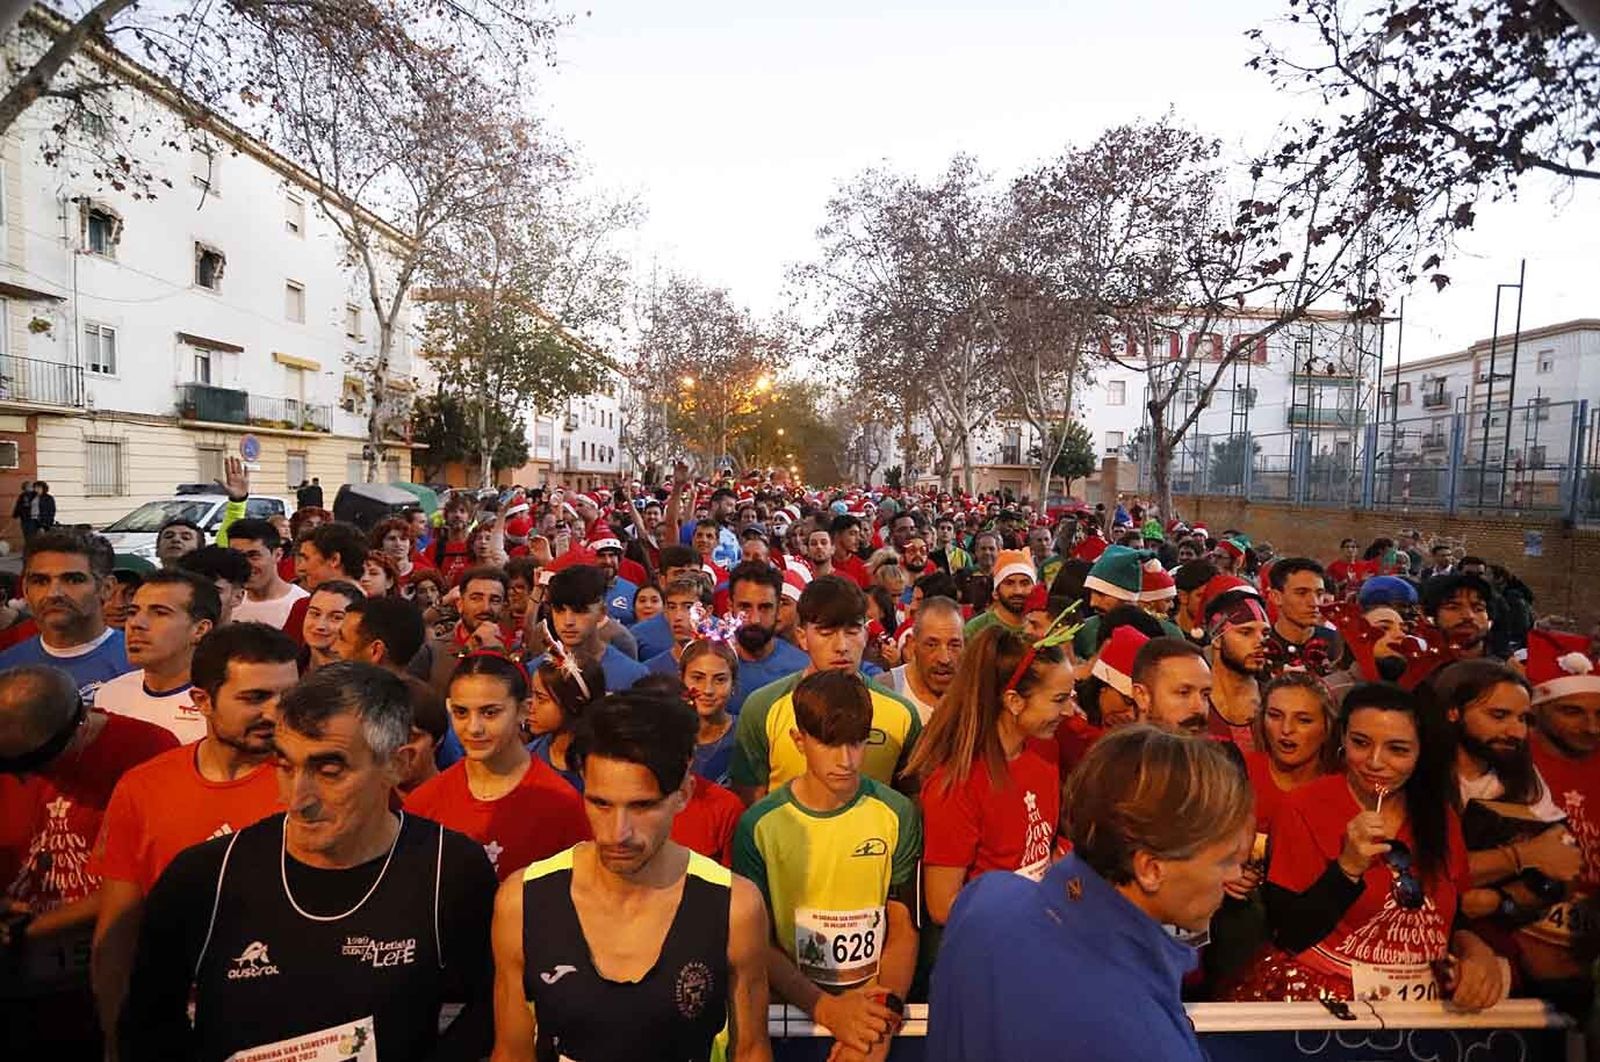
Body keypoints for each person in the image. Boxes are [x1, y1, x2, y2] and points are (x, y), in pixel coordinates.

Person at [118, 662, 497, 1061]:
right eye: (285, 766)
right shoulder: (205, 876)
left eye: (329, 771)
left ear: (397, 764)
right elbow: (146, 1027)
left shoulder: (450, 870)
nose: (298, 798)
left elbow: (489, 1014)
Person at [927, 726, 1253, 1062]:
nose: (1236, 875)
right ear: (1150, 869)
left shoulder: (984, 901)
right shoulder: (1145, 1039)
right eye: (1225, 860)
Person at [491, 688, 772, 1062]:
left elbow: (750, 1050)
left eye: (642, 806)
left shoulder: (734, 906)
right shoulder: (523, 901)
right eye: (601, 803)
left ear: (684, 795)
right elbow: (512, 1052)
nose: (617, 832)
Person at [89, 622, 300, 1047]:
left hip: (290, 1023)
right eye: (255, 698)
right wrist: (116, 1037)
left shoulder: (315, 783)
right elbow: (117, 932)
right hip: (173, 1023)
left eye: (288, 697)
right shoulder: (143, 787)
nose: (276, 713)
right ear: (202, 700)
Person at [1229, 681, 1504, 1008]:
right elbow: (1290, 934)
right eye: (1361, 743)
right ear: (1342, 738)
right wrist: (1347, 869)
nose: (1375, 761)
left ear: (1421, 753)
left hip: (1425, 1004)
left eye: (1397, 749)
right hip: (1325, 1005)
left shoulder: (1440, 816)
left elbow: (1451, 914)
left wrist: (1476, 951)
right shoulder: (1303, 807)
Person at [733, 670, 920, 1062]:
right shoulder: (758, 826)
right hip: (791, 1019)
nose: (846, 760)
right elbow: (756, 942)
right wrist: (827, 1009)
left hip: (873, 1015)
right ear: (798, 740)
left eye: (856, 743)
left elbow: (902, 925)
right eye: (829, 744)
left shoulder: (898, 814)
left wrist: (877, 1026)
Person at [0, 665, 176, 1056]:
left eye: (38, 763)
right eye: (11, 767)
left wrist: (34, 928)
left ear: (79, 725)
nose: (25, 779)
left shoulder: (146, 749)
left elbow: (151, 876)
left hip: (95, 971)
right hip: (16, 976)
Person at [909, 627, 1072, 925]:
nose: (1070, 710)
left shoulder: (1045, 749)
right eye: (1059, 699)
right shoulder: (957, 783)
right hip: (992, 945)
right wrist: (1026, 902)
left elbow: (1038, 843)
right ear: (1014, 701)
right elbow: (943, 905)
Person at [730, 576, 922, 806]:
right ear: (802, 637)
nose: (841, 646)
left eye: (852, 631)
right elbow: (750, 807)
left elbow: (911, 801)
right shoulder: (762, 708)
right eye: (826, 632)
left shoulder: (901, 714)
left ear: (865, 634)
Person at [405, 654, 590, 880]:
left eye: (490, 713)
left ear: (524, 709)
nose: (474, 728)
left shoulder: (563, 806)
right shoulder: (423, 803)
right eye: (461, 712)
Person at [1523, 628, 1600, 1006]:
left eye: (1599, 713)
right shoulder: (1510, 765)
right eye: (1572, 711)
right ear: (1537, 711)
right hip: (1510, 966)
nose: (1591, 726)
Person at [0, 528, 131, 698]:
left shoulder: (142, 663)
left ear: (107, 588)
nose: (53, 593)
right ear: (25, 590)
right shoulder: (6, 667)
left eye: (73, 580)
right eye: (40, 581)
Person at [92, 570, 220, 743]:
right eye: (133, 612)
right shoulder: (109, 694)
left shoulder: (224, 704)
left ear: (200, 630)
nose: (136, 623)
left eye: (159, 613)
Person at [542, 564, 648, 693]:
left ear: (602, 612)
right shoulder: (537, 672)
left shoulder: (634, 675)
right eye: (559, 611)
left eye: (580, 611)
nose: (568, 621)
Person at [409, 566, 513, 695]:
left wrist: (497, 652)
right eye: (476, 598)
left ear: (503, 608)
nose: (486, 608)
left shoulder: (515, 652)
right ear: (460, 605)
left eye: (495, 600)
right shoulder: (432, 652)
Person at [725, 561, 809, 715]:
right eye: (745, 607)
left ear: (777, 609)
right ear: (730, 607)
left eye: (765, 608)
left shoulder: (803, 671)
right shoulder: (710, 665)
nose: (755, 619)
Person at [1202, 580, 1271, 752]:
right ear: (1217, 638)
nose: (1260, 642)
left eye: (1265, 633)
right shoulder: (1194, 703)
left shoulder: (1275, 701)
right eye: (1246, 632)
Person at [526, 649, 608, 790]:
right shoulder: (527, 758)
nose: (530, 707)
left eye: (541, 698)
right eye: (532, 695)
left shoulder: (606, 765)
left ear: (574, 704)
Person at [884, 595, 964, 724]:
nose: (944, 659)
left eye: (954, 645)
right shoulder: (886, 690)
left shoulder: (978, 692)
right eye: (931, 645)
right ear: (912, 644)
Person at [1264, 557, 1343, 677]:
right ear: (1276, 597)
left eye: (1319, 594)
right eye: (1301, 593)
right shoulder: (1262, 647)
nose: (1315, 602)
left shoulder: (1337, 645)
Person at [226, 517, 309, 630]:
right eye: (237, 556)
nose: (245, 564)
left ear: (278, 555)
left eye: (253, 556)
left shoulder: (303, 605)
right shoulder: (226, 603)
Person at [682, 638, 739, 785]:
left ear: (734, 684)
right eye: (697, 678)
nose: (708, 690)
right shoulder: (662, 735)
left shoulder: (745, 735)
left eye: (720, 680)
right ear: (681, 679)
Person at [1130, 637, 1213, 735]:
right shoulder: (1114, 750)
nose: (1199, 708)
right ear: (1142, 696)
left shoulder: (1221, 749)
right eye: (1184, 693)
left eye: (1205, 695)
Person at [962, 548, 1034, 640]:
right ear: (995, 592)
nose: (1018, 591)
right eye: (1009, 583)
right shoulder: (976, 629)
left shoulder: (1043, 629)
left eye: (1025, 583)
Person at [1423, 571, 1496, 660]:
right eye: (1453, 607)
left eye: (1478, 609)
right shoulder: (1413, 666)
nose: (1468, 616)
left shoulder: (1508, 670)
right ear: (1431, 616)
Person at [302, 579, 364, 672]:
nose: (320, 625)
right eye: (315, 614)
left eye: (336, 617)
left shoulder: (364, 679)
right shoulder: (288, 666)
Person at [829, 513, 873, 588]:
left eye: (858, 534)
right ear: (837, 535)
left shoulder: (862, 569)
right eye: (852, 534)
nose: (858, 538)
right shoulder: (823, 563)